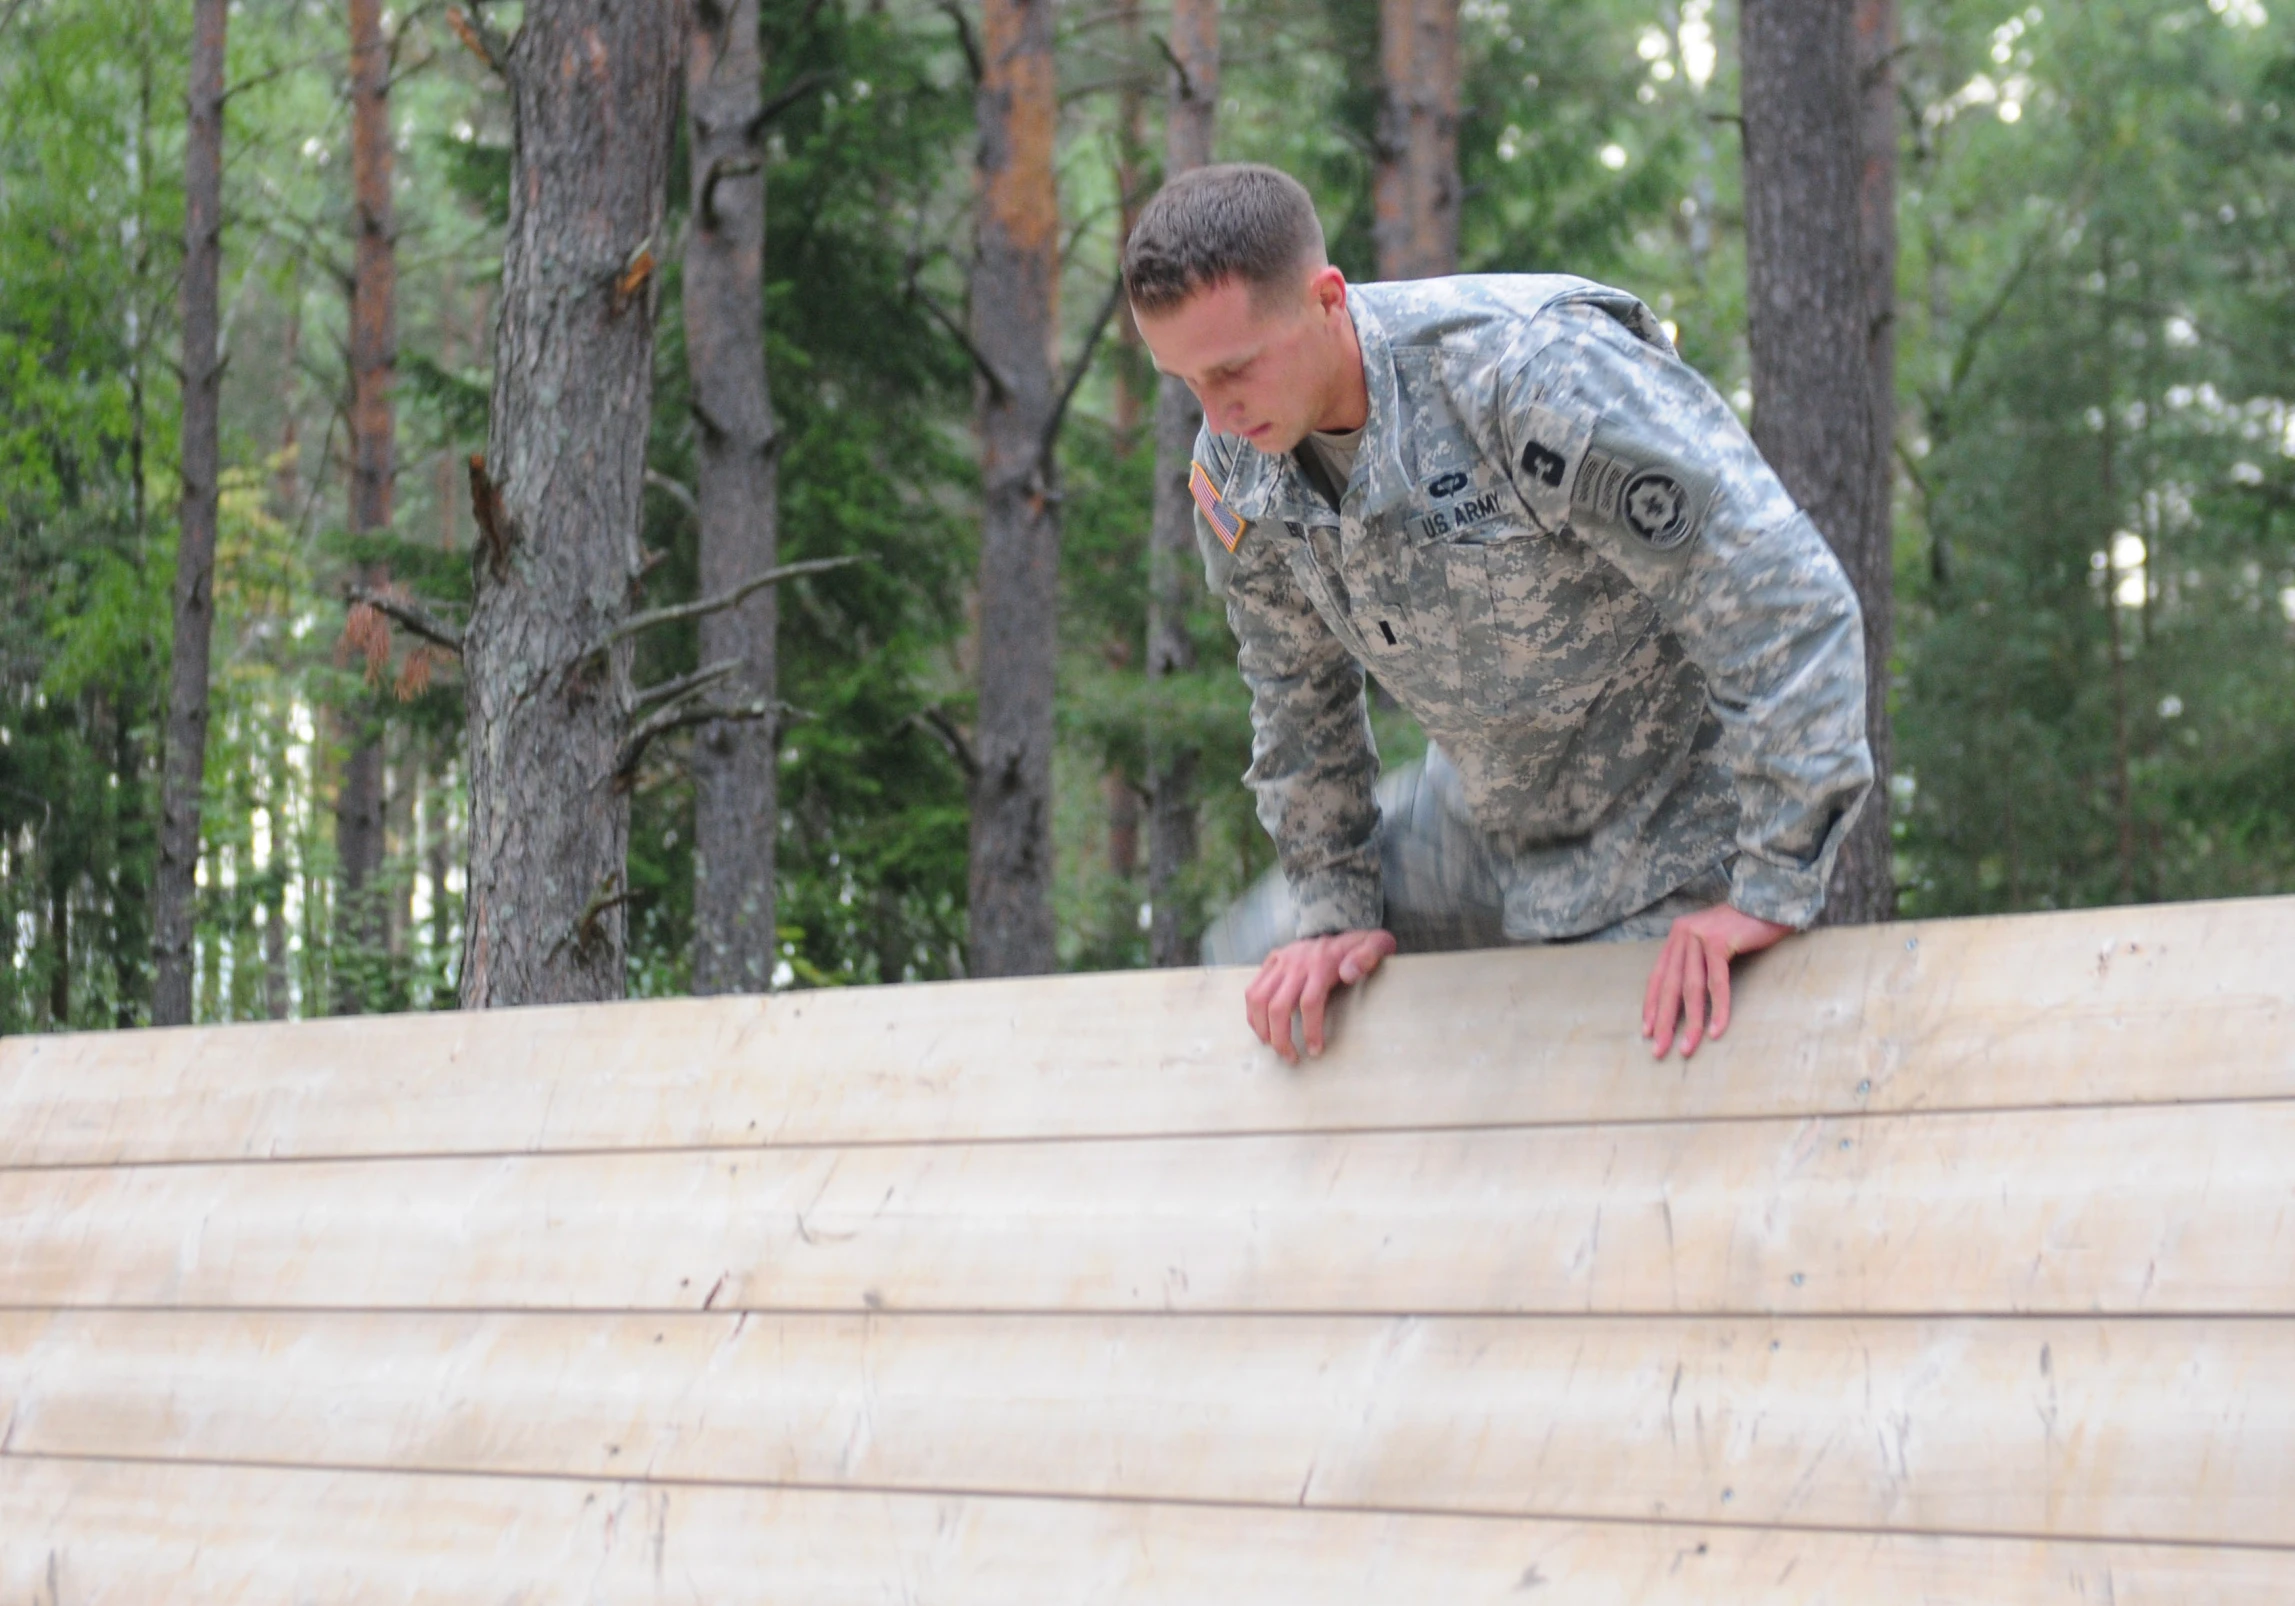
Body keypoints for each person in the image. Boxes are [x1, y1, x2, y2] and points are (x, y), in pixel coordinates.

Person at [1122, 163, 1874, 1063]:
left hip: (1672, 826)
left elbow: (1777, 592)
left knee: (1610, 1107)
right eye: (1184, 381)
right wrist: (1333, 906)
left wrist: (1773, 885)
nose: (1214, 412)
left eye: (1234, 368)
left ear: (1327, 300)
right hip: (1481, 824)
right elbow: (1294, 692)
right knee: (1253, 986)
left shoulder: (1527, 373)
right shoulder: (1236, 463)